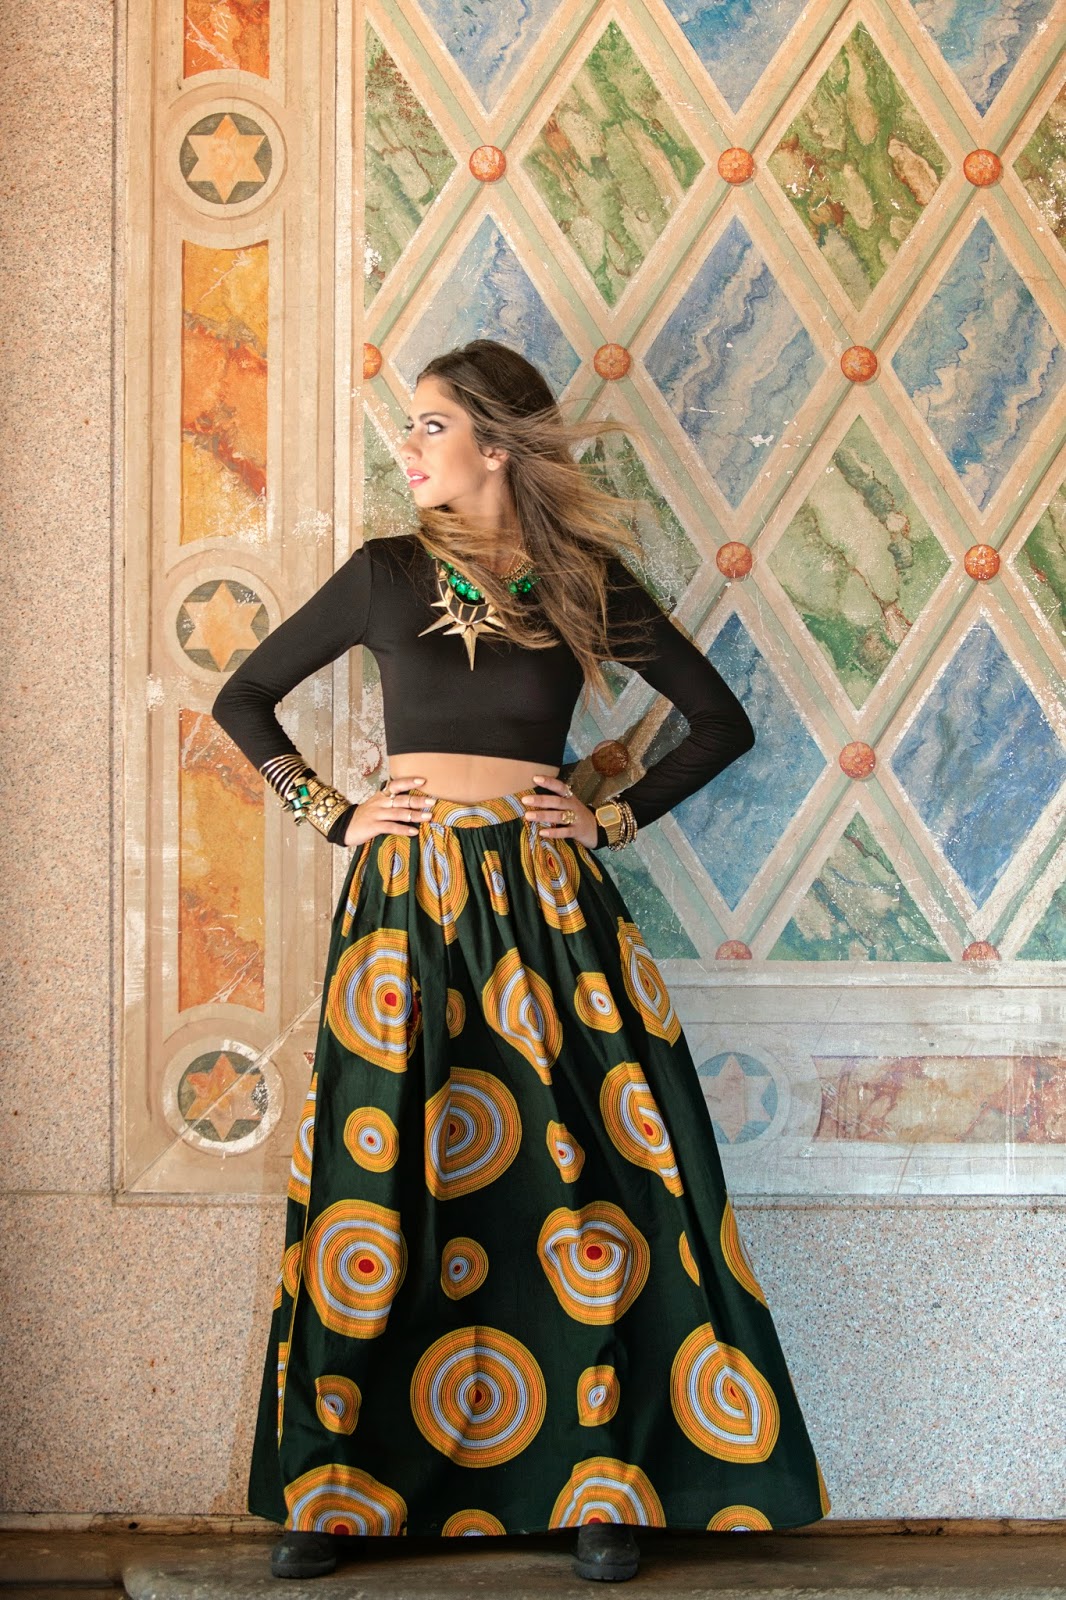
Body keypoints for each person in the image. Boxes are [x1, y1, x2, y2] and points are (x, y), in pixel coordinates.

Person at [212, 339, 827, 1584]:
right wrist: (333, 813)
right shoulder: (385, 572)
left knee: (580, 1187)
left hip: (550, 912)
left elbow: (721, 722)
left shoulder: (583, 579)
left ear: (496, 446)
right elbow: (243, 698)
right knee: (381, 1179)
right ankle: (339, 1495)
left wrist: (611, 818)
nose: (406, 445)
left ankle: (603, 1487)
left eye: (430, 424)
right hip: (404, 910)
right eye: (409, 425)